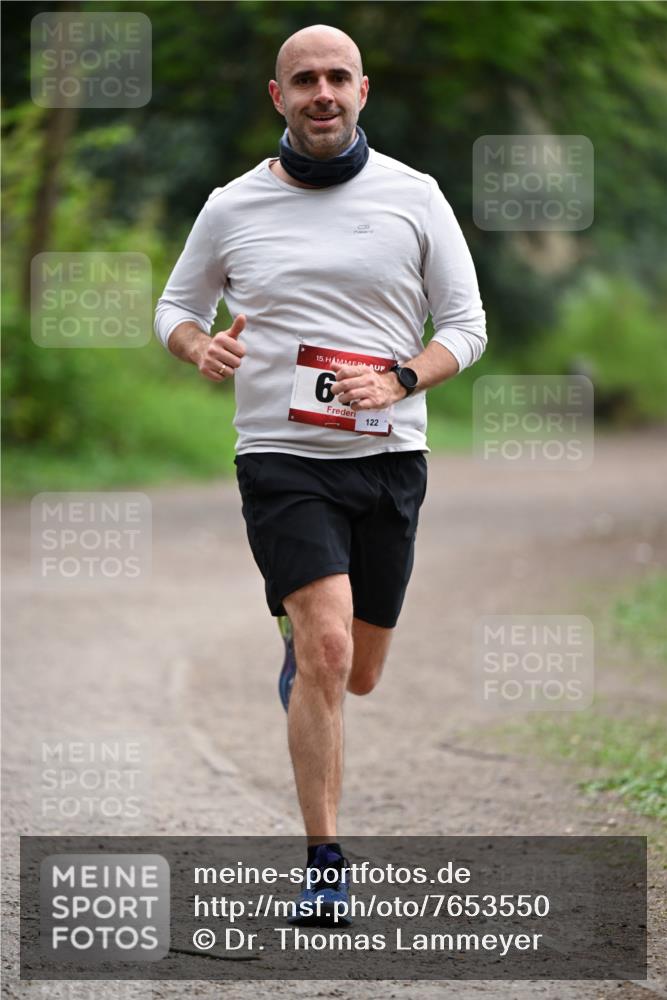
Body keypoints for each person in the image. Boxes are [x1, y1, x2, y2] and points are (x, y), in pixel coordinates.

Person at [154, 23, 486, 924]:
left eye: (337, 77)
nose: (322, 93)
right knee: (327, 647)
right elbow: (176, 305)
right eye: (304, 80)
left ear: (363, 90)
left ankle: (306, 666)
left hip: (388, 456)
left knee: (359, 671)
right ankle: (324, 861)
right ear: (278, 97)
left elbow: (465, 325)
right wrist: (197, 347)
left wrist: (403, 374)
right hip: (280, 455)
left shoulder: (414, 197)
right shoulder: (232, 206)